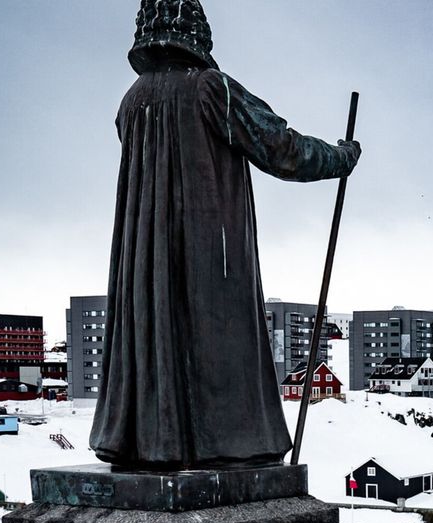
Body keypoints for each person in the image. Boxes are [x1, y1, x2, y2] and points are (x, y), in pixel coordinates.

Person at [90, 0, 361, 469]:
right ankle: (228, 445)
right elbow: (280, 146)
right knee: (218, 342)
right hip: (208, 253)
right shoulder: (208, 89)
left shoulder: (131, 102)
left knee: (155, 336)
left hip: (145, 262)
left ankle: (155, 444)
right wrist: (340, 159)